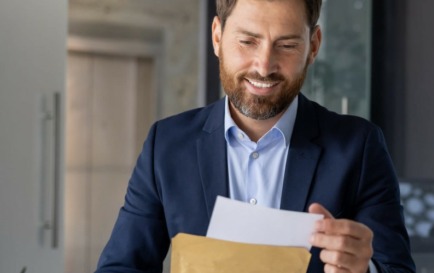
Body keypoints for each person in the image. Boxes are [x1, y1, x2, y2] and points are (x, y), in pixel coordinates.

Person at [95, 0, 415, 272]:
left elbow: (396, 267)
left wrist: (365, 269)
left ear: (313, 46)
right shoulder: (166, 145)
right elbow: (121, 266)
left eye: (287, 45)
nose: (264, 66)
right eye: (247, 42)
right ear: (218, 37)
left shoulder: (358, 147)